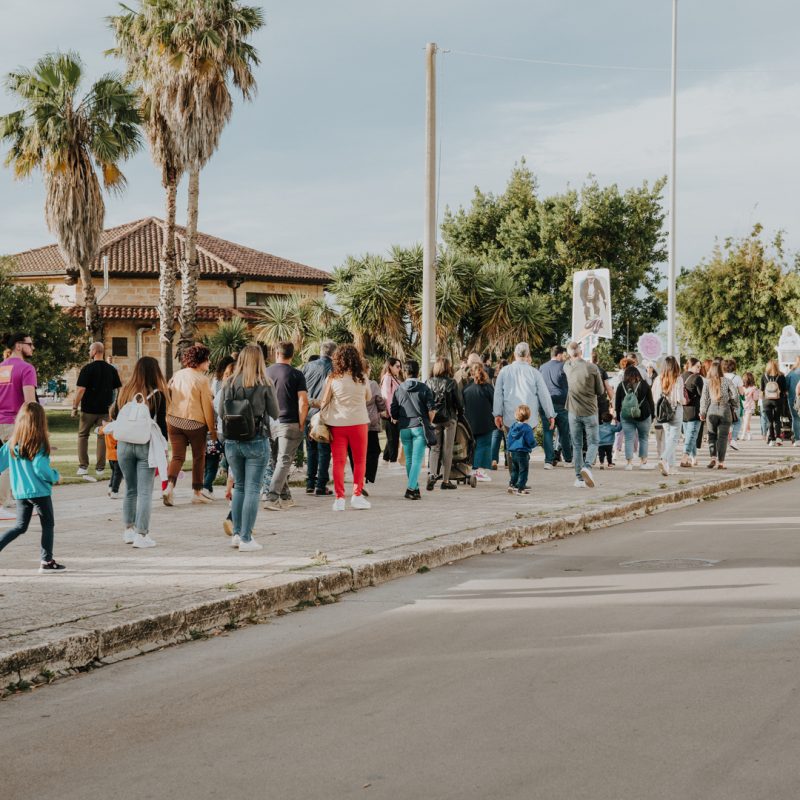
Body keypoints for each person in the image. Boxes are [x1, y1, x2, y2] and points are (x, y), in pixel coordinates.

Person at [216, 345, 279, 551]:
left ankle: (236, 534)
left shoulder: (229, 382)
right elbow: (275, 413)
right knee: (253, 488)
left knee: (239, 487)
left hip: (232, 441)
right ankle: (246, 538)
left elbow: (220, 410)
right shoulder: (264, 383)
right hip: (256, 439)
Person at [112, 357, 169, 547]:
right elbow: (161, 426)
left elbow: (114, 415)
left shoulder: (125, 392)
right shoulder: (157, 395)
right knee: (145, 492)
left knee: (130, 488)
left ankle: (128, 530)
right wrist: (165, 449)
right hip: (146, 444)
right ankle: (142, 534)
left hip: (124, 444)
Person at [0, 402, 63, 573]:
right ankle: (47, 561)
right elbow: (40, 468)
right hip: (39, 491)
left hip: (20, 492)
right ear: (41, 420)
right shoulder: (39, 442)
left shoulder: (12, 443)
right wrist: (55, 476)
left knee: (19, 527)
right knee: (48, 524)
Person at [318, 344, 371, 511]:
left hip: (338, 423)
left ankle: (339, 498)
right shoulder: (362, 377)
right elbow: (368, 397)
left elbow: (324, 401)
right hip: (359, 422)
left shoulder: (332, 378)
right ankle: (357, 495)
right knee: (360, 460)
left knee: (339, 462)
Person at [163, 345, 215, 506]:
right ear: (200, 361)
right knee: (199, 457)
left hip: (174, 420)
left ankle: (169, 488)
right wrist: (212, 429)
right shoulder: (203, 380)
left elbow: (168, 394)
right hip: (195, 423)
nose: (209, 362)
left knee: (177, 456)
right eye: (207, 359)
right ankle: (197, 492)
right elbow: (207, 406)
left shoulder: (177, 375)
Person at [264, 342, 308, 511]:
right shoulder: (296, 374)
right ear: (292, 354)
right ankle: (272, 497)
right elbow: (303, 402)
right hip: (289, 421)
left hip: (270, 422)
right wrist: (302, 422)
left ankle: (286, 496)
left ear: (276, 353)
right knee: (283, 461)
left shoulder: (266, 372)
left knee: (277, 461)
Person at [493, 343, 555, 459]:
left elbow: (498, 394)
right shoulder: (535, 373)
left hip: (509, 416)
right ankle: (522, 460)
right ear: (527, 355)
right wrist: (550, 415)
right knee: (525, 443)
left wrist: (497, 414)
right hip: (529, 418)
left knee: (512, 440)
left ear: (514, 354)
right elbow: (544, 395)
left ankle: (512, 458)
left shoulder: (504, 371)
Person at [0, 333, 37, 519]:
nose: (33, 347)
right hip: (16, 421)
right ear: (18, 346)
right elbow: (30, 401)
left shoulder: (1, 368)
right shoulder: (26, 368)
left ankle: (18, 499)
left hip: (1, 421)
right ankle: (2, 503)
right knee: (12, 462)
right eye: (30, 344)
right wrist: (33, 423)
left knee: (13, 460)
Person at [72, 342, 122, 479]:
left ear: (94, 351)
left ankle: (83, 467)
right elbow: (119, 388)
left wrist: (74, 407)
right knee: (102, 437)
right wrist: (116, 405)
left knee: (83, 436)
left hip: (88, 409)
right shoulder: (111, 369)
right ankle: (100, 468)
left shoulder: (87, 369)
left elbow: (81, 390)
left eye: (89, 350)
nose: (89, 352)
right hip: (105, 409)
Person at [390, 360, 435, 500]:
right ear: (418, 371)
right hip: (419, 426)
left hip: (404, 427)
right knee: (417, 460)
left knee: (409, 459)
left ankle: (415, 489)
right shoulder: (424, 388)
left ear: (405, 371)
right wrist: (429, 422)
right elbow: (431, 410)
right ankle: (410, 488)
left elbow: (394, 412)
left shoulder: (399, 389)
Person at [563, 340, 605, 488]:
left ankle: (579, 478)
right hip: (590, 410)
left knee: (577, 445)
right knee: (594, 441)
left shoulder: (567, 367)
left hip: (573, 411)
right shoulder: (592, 368)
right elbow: (600, 391)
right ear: (581, 352)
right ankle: (587, 466)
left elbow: (569, 359)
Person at [302, 341, 336, 497]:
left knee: (311, 450)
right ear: (333, 354)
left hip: (307, 412)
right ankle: (321, 485)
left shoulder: (307, 366)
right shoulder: (333, 369)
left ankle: (310, 483)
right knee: (324, 451)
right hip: (323, 414)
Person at [426, 357, 464, 491]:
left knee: (435, 448)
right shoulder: (451, 383)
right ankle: (446, 480)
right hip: (449, 419)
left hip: (434, 418)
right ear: (448, 367)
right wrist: (461, 412)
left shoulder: (429, 382)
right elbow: (458, 402)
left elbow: (426, 401)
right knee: (447, 450)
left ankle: (432, 475)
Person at [203, 357, 235, 499]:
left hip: (217, 430)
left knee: (212, 461)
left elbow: (213, 409)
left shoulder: (218, 388)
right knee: (232, 462)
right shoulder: (235, 390)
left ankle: (206, 486)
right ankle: (231, 488)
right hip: (228, 431)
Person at [615, 365, 656, 470]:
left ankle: (629, 464)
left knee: (628, 439)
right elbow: (650, 402)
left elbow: (617, 403)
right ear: (638, 374)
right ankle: (643, 463)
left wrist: (619, 417)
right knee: (643, 439)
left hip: (626, 417)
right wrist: (653, 415)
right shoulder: (644, 385)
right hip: (643, 415)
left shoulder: (621, 385)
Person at [539, 345, 572, 470]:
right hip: (561, 403)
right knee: (564, 432)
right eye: (563, 354)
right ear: (559, 354)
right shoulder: (564, 366)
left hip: (546, 403)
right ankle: (568, 459)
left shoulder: (542, 367)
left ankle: (548, 460)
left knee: (548, 432)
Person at [700, 362, 738, 468]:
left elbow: (704, 399)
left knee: (712, 435)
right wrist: (734, 406)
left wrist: (702, 412)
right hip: (725, 409)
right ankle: (721, 462)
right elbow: (735, 395)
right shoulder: (727, 381)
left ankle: (713, 458)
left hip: (711, 410)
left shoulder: (707, 383)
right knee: (723, 437)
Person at [651, 356, 685, 476]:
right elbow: (679, 398)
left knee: (669, 438)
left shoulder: (658, 379)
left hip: (663, 412)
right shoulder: (678, 379)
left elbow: (654, 397)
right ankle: (664, 458)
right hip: (675, 410)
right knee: (674, 439)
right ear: (676, 366)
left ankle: (671, 467)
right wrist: (685, 400)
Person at [463, 363, 495, 481]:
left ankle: (473, 469)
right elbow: (494, 403)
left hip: (469, 423)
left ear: (471, 373)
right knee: (484, 445)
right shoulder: (487, 387)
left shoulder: (466, 388)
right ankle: (479, 471)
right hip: (485, 422)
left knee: (473, 446)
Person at [505, 404, 535, 495]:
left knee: (515, 470)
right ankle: (521, 488)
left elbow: (508, 438)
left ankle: (512, 485)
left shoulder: (513, 427)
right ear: (528, 416)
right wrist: (534, 444)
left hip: (513, 452)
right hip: (522, 452)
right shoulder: (527, 428)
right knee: (523, 470)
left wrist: (509, 449)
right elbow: (530, 441)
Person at [680, 357, 704, 467]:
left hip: (683, 411)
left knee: (690, 436)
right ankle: (685, 458)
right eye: (697, 366)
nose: (699, 368)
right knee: (691, 436)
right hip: (695, 411)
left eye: (700, 366)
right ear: (690, 365)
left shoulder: (680, 376)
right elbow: (702, 395)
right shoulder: (697, 378)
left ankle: (694, 458)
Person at [380, 358, 403, 465]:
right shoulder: (388, 378)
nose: (399, 369)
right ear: (390, 366)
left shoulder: (394, 378)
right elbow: (387, 397)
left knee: (392, 438)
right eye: (397, 366)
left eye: (400, 366)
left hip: (393, 412)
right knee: (393, 439)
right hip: (390, 414)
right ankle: (392, 462)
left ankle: (386, 460)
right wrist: (392, 415)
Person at [761, 360, 787, 446]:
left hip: (767, 400)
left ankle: (772, 440)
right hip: (778, 400)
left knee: (769, 421)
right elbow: (784, 390)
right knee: (777, 419)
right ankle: (778, 438)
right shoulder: (781, 376)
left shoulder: (764, 376)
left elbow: (762, 390)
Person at [722, 358, 744, 450]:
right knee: (738, 421)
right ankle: (733, 439)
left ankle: (725, 442)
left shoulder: (721, 376)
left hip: (723, 402)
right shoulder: (737, 377)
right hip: (734, 403)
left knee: (725, 423)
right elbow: (741, 392)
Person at [99, 421, 123, 499]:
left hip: (110, 454)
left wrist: (104, 425)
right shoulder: (118, 427)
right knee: (118, 474)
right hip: (117, 454)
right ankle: (114, 491)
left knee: (114, 472)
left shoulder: (107, 427)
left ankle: (110, 487)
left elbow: (99, 431)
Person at [784, 356, 800, 445]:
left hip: (794, 399)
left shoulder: (791, 373)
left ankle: (797, 439)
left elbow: (785, 387)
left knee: (796, 418)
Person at [740, 372, 760, 442]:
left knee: (746, 421)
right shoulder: (753, 388)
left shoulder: (742, 387)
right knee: (746, 422)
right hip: (746, 406)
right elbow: (755, 398)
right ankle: (749, 434)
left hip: (746, 406)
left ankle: (743, 435)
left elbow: (741, 396)